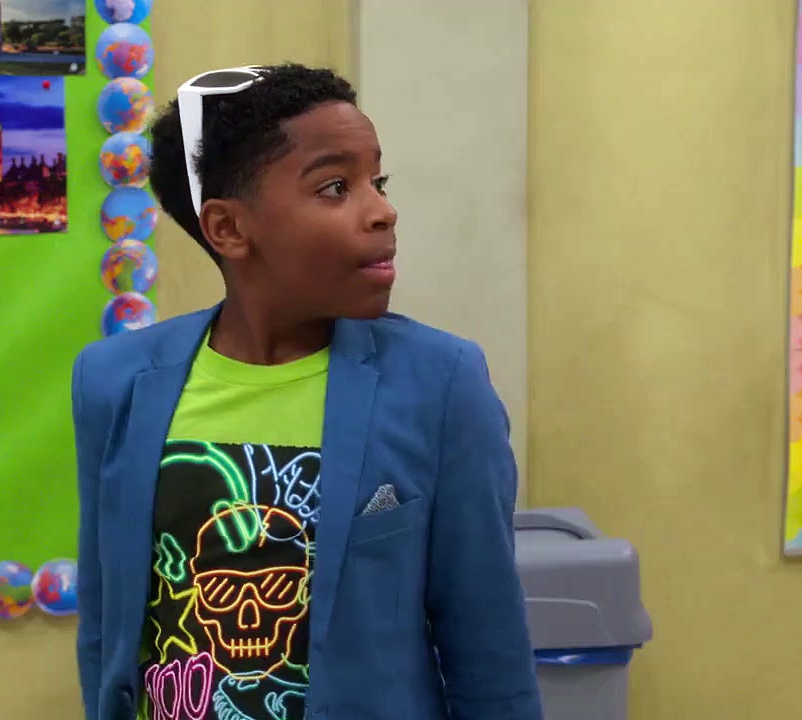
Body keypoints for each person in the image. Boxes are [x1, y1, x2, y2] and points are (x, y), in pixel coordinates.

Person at [71, 62, 541, 720]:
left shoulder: (439, 385)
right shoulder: (114, 382)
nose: (383, 211)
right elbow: (107, 626)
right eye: (335, 187)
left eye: (378, 181)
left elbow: (489, 655)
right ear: (229, 228)